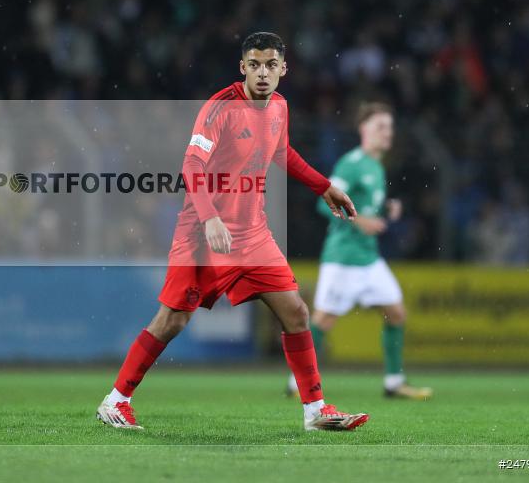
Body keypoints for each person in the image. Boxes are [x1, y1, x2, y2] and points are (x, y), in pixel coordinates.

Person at [97, 32, 369, 432]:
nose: (263, 73)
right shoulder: (220, 108)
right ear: (242, 67)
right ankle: (116, 401)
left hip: (253, 233)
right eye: (254, 65)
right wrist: (209, 219)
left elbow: (281, 152)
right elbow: (191, 166)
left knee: (296, 312)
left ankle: (315, 411)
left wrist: (323, 186)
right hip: (202, 233)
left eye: (270, 65)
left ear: (283, 70)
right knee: (171, 321)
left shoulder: (279, 107)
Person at [287, 103, 432, 400]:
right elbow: (322, 204)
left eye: (389, 127)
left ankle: (393, 382)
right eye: (380, 126)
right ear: (363, 130)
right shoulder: (350, 164)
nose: (386, 133)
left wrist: (385, 208)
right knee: (323, 320)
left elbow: (363, 206)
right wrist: (361, 221)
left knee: (396, 313)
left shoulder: (377, 167)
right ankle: (296, 381)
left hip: (369, 258)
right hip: (343, 257)